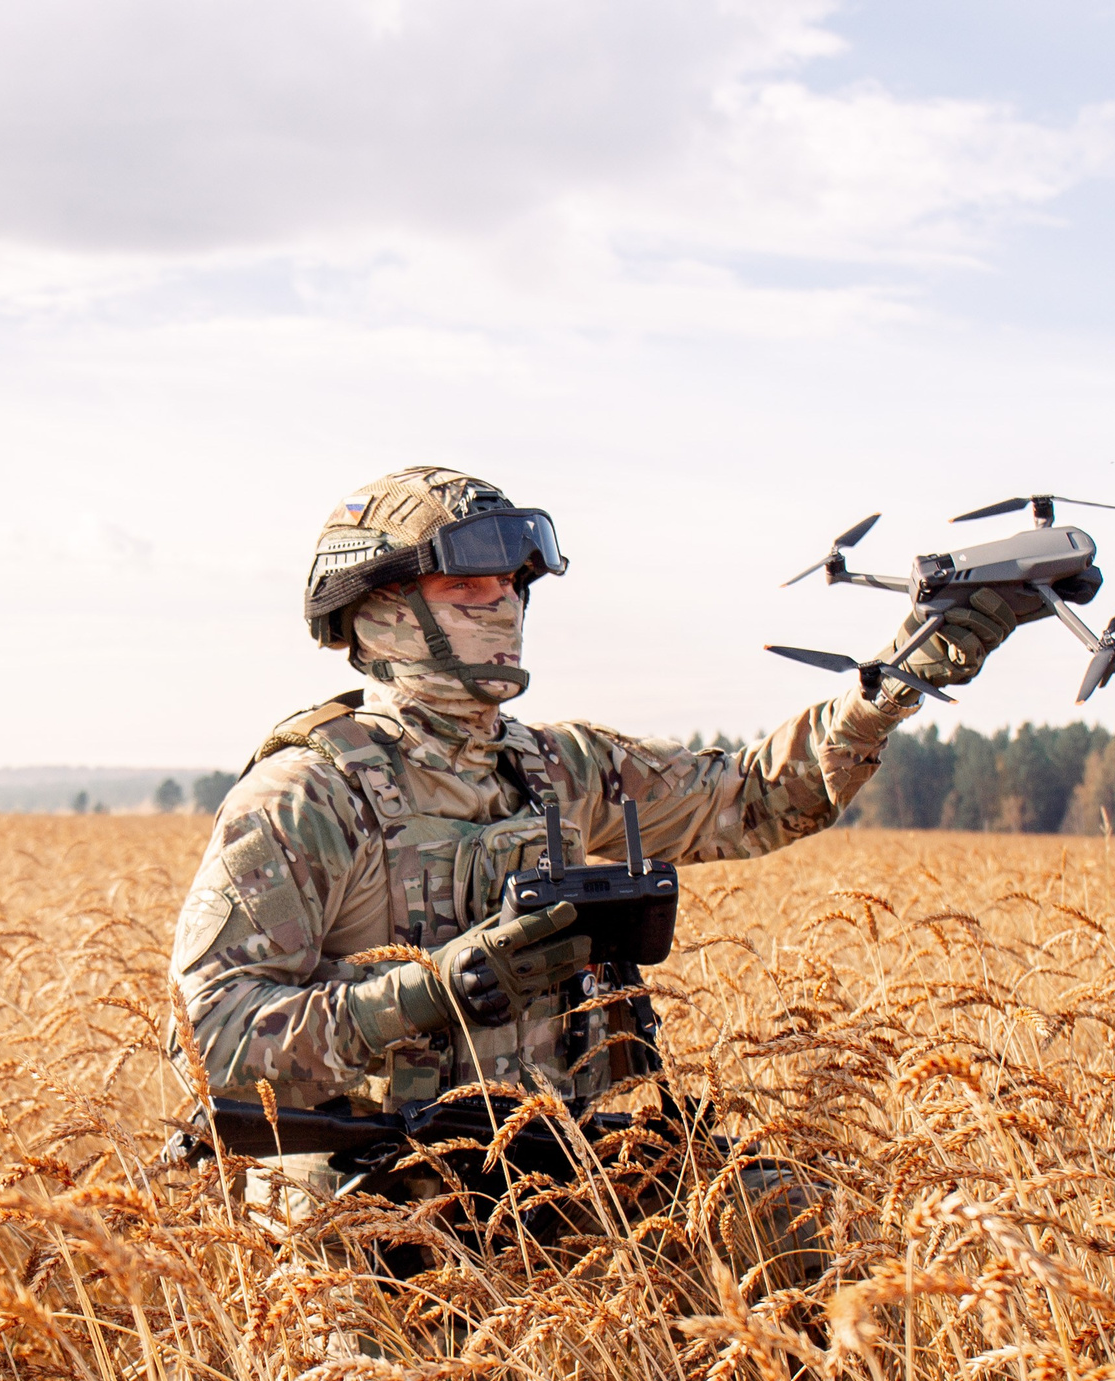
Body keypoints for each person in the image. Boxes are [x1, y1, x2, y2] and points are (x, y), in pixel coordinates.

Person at [169, 466, 1016, 1262]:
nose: (504, 606)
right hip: (364, 1213)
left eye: (513, 586)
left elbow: (755, 797)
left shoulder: (557, 768)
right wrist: (429, 992)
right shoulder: (308, 796)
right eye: (469, 589)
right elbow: (209, 1040)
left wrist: (897, 680)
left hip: (545, 1173)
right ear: (380, 611)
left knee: (801, 1224)